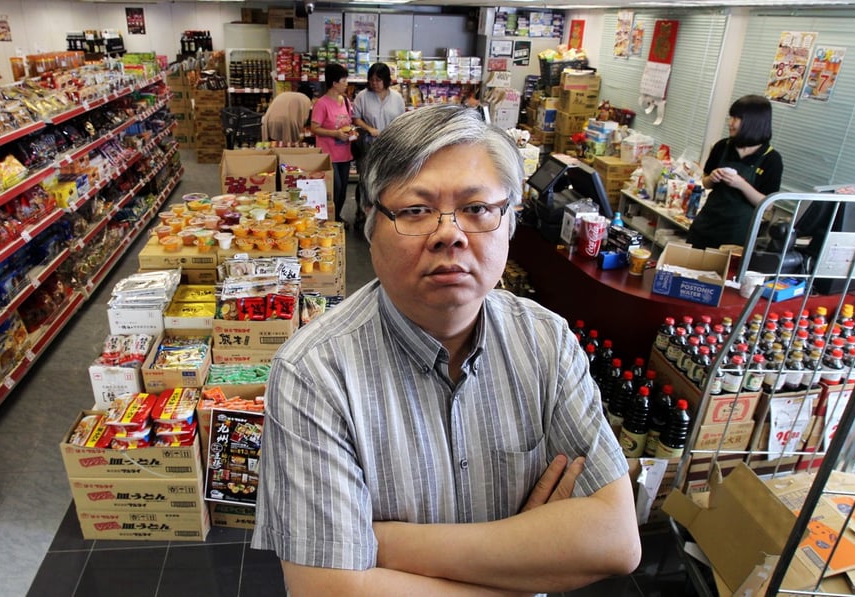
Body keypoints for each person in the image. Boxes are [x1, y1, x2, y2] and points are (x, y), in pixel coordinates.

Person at [251, 104, 641, 596]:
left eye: (477, 209)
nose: (449, 234)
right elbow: (327, 590)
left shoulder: (547, 343)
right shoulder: (315, 373)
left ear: (509, 223)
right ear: (371, 228)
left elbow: (616, 541)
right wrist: (529, 559)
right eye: (416, 210)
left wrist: (382, 547)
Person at [686, 94, 784, 250]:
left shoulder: (771, 159)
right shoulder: (722, 146)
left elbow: (767, 205)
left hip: (736, 236)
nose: (730, 123)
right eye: (730, 117)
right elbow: (705, 183)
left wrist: (741, 184)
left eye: (736, 118)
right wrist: (712, 178)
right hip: (705, 226)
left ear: (753, 123)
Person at [351, 62, 405, 229]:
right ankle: (362, 212)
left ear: (386, 80)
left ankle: (383, 213)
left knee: (386, 181)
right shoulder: (362, 97)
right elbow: (356, 118)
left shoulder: (397, 98)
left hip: (390, 148)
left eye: (378, 80)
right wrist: (368, 128)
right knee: (366, 181)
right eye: (372, 80)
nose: (374, 83)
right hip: (368, 147)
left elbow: (402, 120)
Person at [309, 63, 354, 227]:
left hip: (345, 153)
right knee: (335, 187)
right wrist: (335, 133)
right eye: (344, 80)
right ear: (334, 83)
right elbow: (314, 128)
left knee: (343, 190)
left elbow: (348, 122)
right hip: (329, 155)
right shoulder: (322, 103)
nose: (346, 83)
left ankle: (337, 217)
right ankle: (328, 219)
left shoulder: (346, 102)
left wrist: (351, 133)